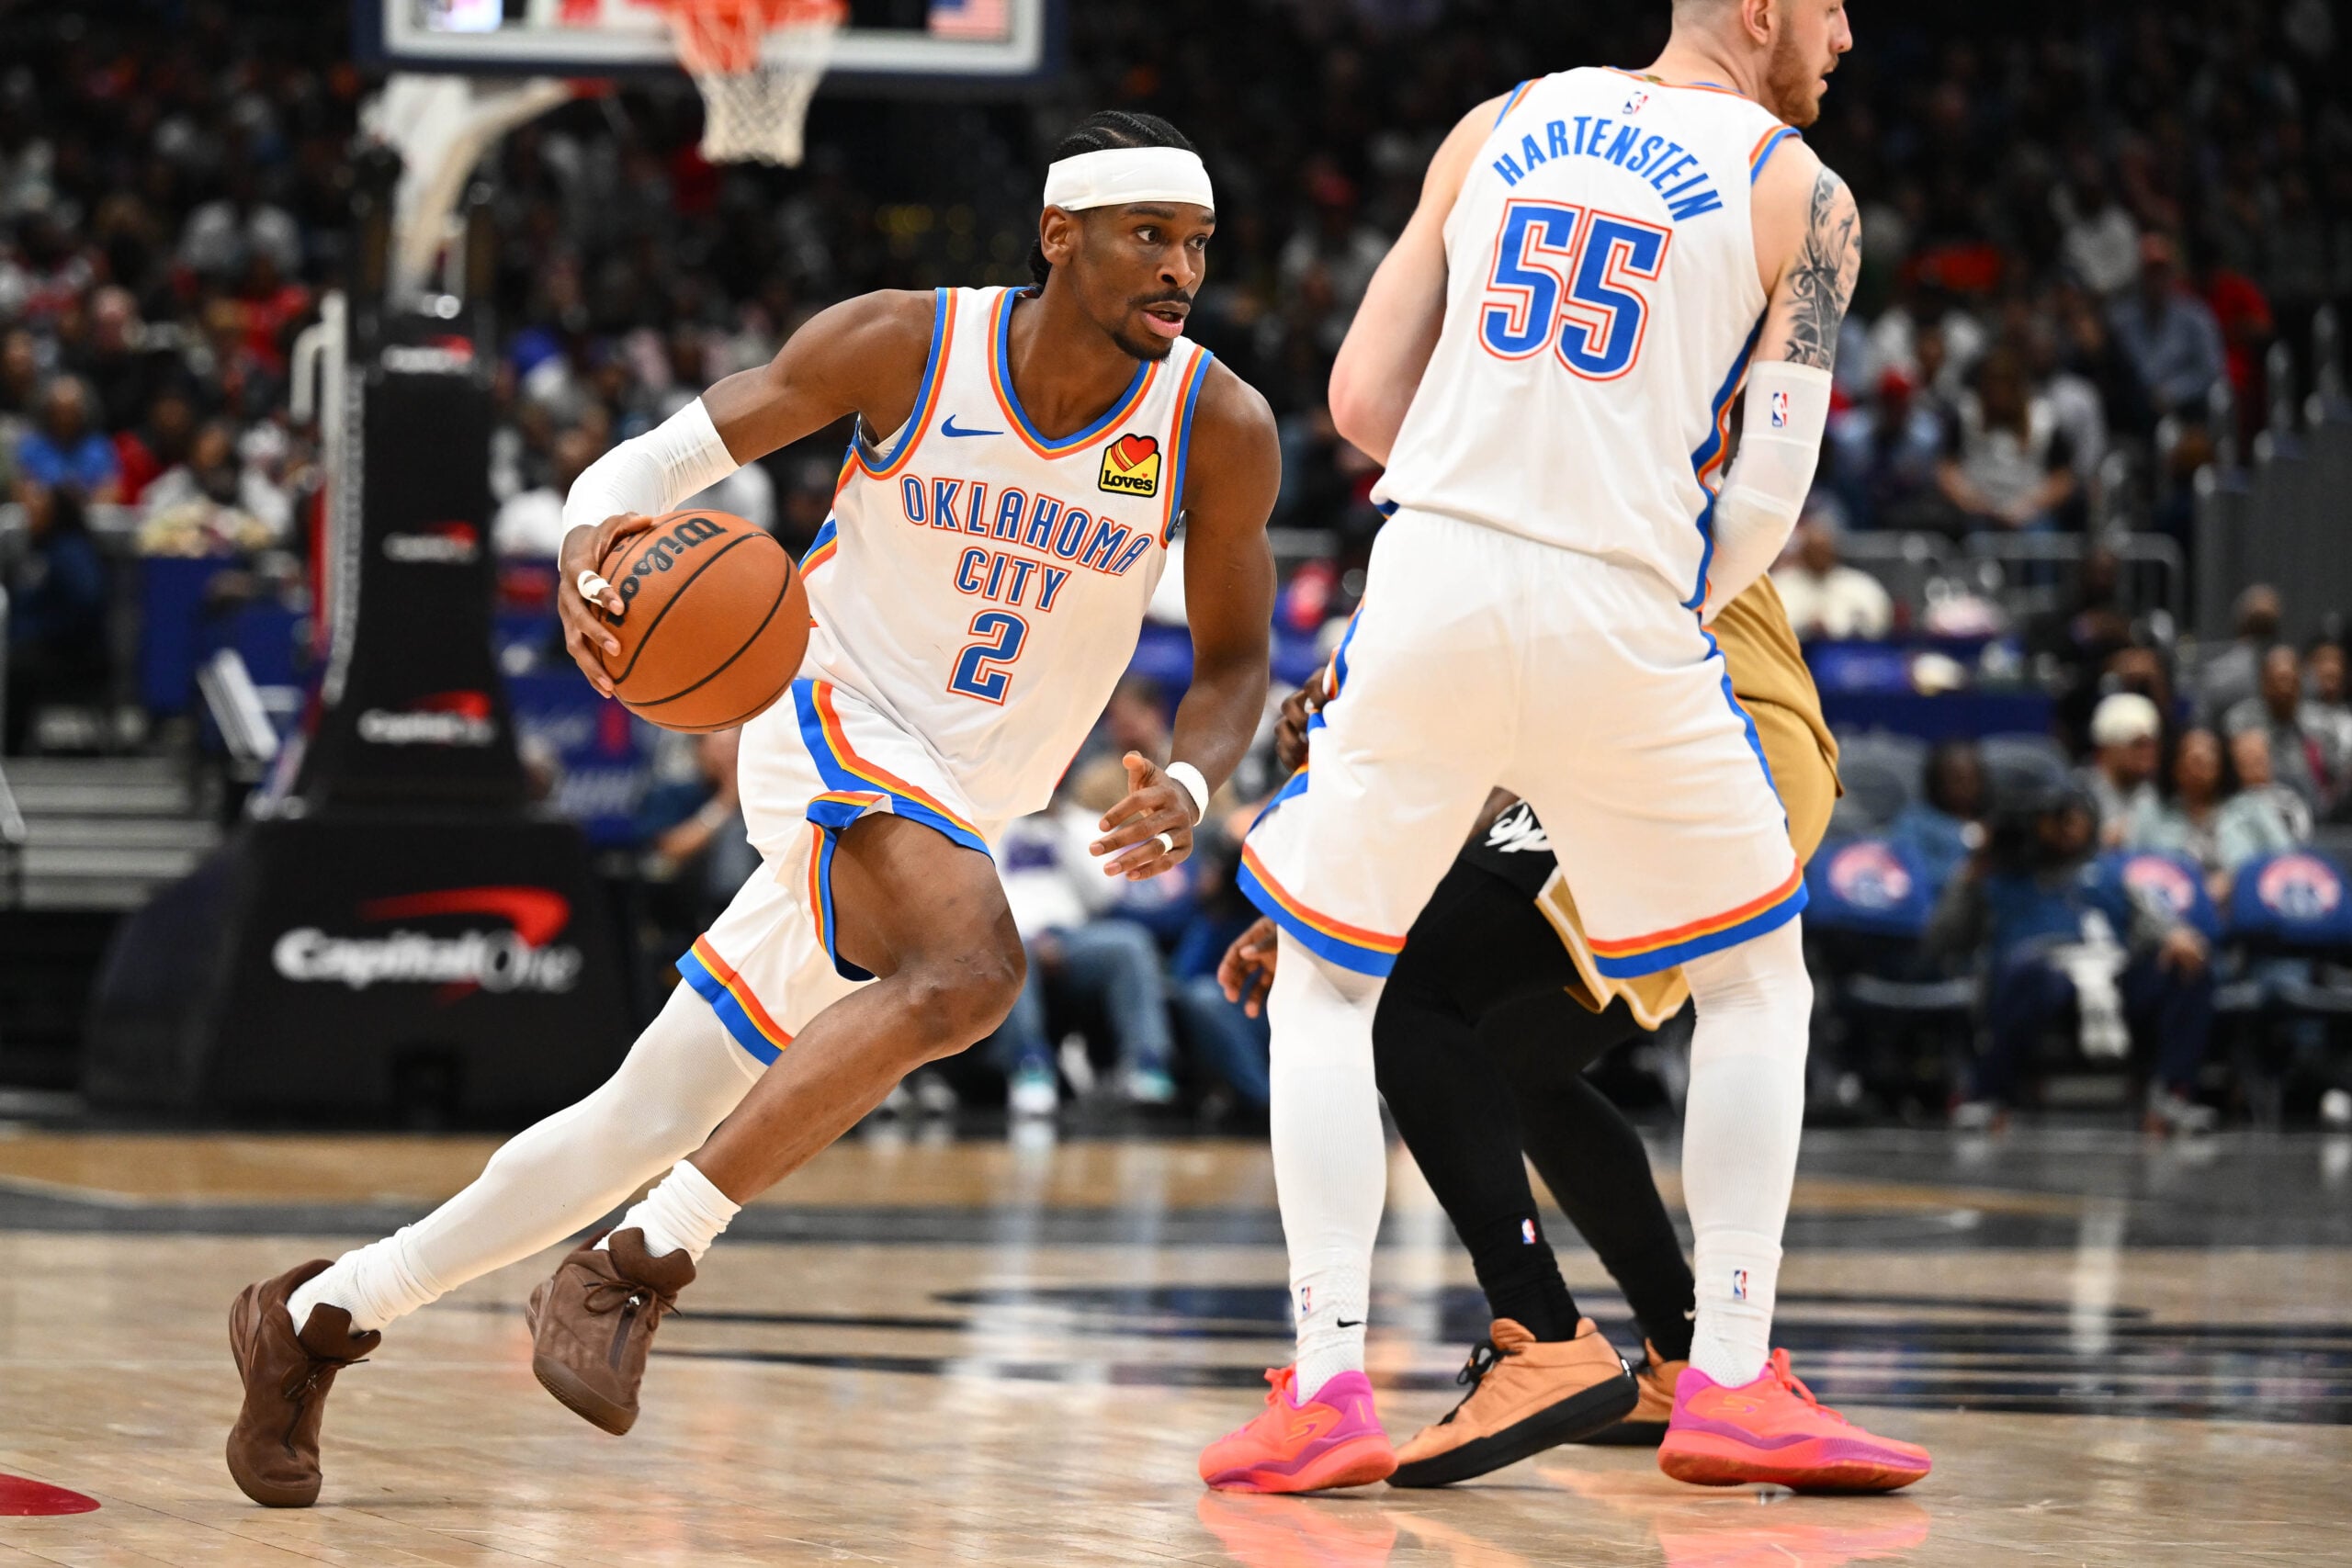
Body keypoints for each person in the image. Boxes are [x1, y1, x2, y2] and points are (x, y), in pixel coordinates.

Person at [224, 110, 1281, 1509]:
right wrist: (601, 550)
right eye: (1151, 236)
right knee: (970, 971)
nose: (1180, 270)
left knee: (640, 1109)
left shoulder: (1217, 422)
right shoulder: (908, 342)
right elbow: (653, 464)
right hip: (823, 707)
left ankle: (316, 1318)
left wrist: (1195, 781)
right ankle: (636, 1265)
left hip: (966, 792)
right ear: (1058, 233)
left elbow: (1232, 659)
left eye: (1197, 244)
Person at [1201, 0, 1931, 1498]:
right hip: (1630, 598)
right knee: (1753, 986)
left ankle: (1331, 1380)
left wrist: (1495, 481)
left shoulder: (1495, 126)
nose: (1848, 33)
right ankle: (1725, 1371)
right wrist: (1636, 586)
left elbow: (1356, 402)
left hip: (1433, 570)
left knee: (1334, 982)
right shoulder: (1807, 193)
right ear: (1761, 9)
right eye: (1833, 4)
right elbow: (1774, 487)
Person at [1218, 568, 1845, 1488]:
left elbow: (1493, 656)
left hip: (1686, 744)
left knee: (1405, 996)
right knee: (1516, 1059)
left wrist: (1350, 762)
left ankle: (1540, 1331)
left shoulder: (1519, 452)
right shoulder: (1650, 448)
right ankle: (1679, 1354)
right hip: (1715, 746)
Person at [1931, 790, 2217, 1135]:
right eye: (2058, 818)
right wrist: (1971, 874)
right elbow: (1943, 940)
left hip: (2113, 973)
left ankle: (2172, 1095)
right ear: (2036, 823)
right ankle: (1989, 1095)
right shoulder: (2000, 877)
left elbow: (2158, 924)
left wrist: (2175, 936)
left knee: (2188, 969)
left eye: (2077, 817)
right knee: (2029, 974)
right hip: (2040, 980)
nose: (2069, 827)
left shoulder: (2108, 875)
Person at [2133, 728, 2302, 905]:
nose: (2199, 756)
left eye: (2209, 751)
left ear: (2223, 763)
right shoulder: (2151, 812)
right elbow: (2131, 871)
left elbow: (2286, 861)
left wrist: (2238, 880)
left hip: (2244, 909)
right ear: (2174, 765)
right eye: (2189, 752)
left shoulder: (2252, 807)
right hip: (2171, 913)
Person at [4, 483, 109, 753]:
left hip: (69, 654)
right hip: (32, 645)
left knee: (15, 668)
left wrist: (35, 633)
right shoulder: (39, 550)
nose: (32, 515)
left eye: (40, 509)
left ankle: (10, 745)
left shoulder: (71, 552)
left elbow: (86, 605)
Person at [2225, 644, 2345, 817]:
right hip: (2254, 813)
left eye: (2291, 680)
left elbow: (2337, 780)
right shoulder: (2240, 723)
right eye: (2278, 680)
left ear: (2301, 683)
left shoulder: (2322, 725)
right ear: (2264, 683)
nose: (2285, 688)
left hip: (2317, 816)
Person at [1770, 508, 1892, 639]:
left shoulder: (1860, 584)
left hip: (1851, 654)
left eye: (1823, 550)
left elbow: (1879, 622)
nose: (1818, 556)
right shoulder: (1781, 586)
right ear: (1803, 553)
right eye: (1813, 551)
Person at [1890, 739, 1987, 889]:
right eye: (1957, 780)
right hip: (1936, 906)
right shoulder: (1915, 821)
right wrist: (1964, 875)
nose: (1966, 787)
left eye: (1972, 779)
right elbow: (1906, 869)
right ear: (1937, 781)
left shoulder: (1994, 821)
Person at [2079, 691, 2163, 848]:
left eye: (2152, 745)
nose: (2149, 754)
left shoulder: (2159, 794)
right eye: (2138, 745)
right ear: (2107, 749)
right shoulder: (2080, 795)